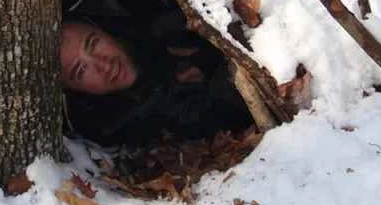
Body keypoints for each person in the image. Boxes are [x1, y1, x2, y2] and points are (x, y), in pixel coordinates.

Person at [60, 18, 250, 146]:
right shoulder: (107, 131)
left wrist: (208, 61)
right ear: (72, 90)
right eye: (81, 70)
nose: (104, 64)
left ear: (103, 31)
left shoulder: (159, 28)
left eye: (93, 43)